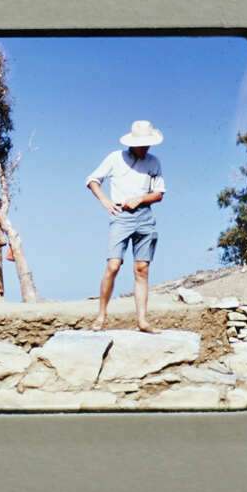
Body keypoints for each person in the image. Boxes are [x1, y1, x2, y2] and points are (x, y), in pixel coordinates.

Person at [85, 120, 166, 333]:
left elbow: (159, 194)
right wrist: (105, 201)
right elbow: (93, 179)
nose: (145, 148)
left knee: (142, 268)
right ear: (132, 143)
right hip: (121, 216)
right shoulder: (115, 158)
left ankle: (142, 321)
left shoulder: (154, 162)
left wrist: (140, 199)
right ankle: (101, 316)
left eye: (148, 144)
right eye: (142, 144)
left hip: (145, 216)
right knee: (113, 265)